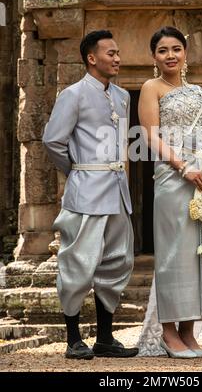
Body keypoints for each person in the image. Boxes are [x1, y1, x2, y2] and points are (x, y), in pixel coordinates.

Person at [42, 30, 139, 360]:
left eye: (118, 52)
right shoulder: (73, 94)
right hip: (86, 191)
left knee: (117, 263)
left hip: (117, 191)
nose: (117, 58)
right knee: (78, 262)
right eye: (110, 53)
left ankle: (105, 339)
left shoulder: (123, 96)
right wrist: (77, 172)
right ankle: (73, 339)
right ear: (91, 58)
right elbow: (53, 141)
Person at [137, 26, 202, 359]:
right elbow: (151, 137)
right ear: (154, 57)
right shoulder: (152, 88)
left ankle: (189, 333)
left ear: (186, 53)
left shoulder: (199, 93)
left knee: (198, 255)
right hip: (172, 178)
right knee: (173, 254)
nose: (170, 55)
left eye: (176, 49)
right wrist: (183, 167)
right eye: (163, 50)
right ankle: (168, 333)